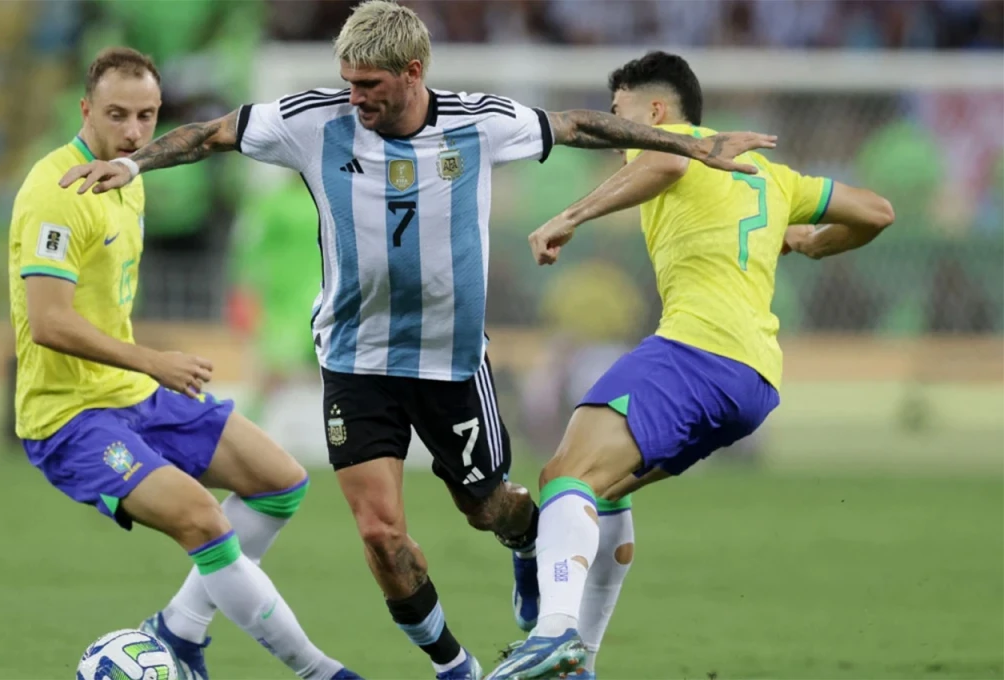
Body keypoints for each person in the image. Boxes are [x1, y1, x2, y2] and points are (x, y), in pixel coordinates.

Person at [59, 5, 775, 677]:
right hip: (354, 361)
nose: (356, 100)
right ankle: (455, 668)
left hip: (451, 363)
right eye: (348, 84)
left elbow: (582, 127)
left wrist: (692, 144)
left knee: (490, 506)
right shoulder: (313, 121)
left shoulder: (479, 123)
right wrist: (134, 162)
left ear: (412, 73)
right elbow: (212, 134)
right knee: (381, 535)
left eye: (369, 86)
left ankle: (526, 543)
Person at [488, 50, 895, 679]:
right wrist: (815, 242)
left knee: (564, 474)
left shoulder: (678, 143)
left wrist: (569, 215)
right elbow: (876, 212)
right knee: (599, 488)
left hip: (698, 351)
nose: (617, 137)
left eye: (620, 117)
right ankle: (578, 665)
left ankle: (557, 631)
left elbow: (667, 158)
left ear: (656, 111)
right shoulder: (772, 174)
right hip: (754, 379)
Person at [8, 46, 361, 680]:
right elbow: (49, 321)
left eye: (147, 115)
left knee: (280, 481)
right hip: (71, 418)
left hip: (133, 394)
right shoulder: (55, 192)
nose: (134, 131)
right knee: (203, 519)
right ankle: (322, 673)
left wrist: (144, 372)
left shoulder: (128, 178)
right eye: (117, 114)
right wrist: (154, 361)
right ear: (86, 109)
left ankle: (179, 629)